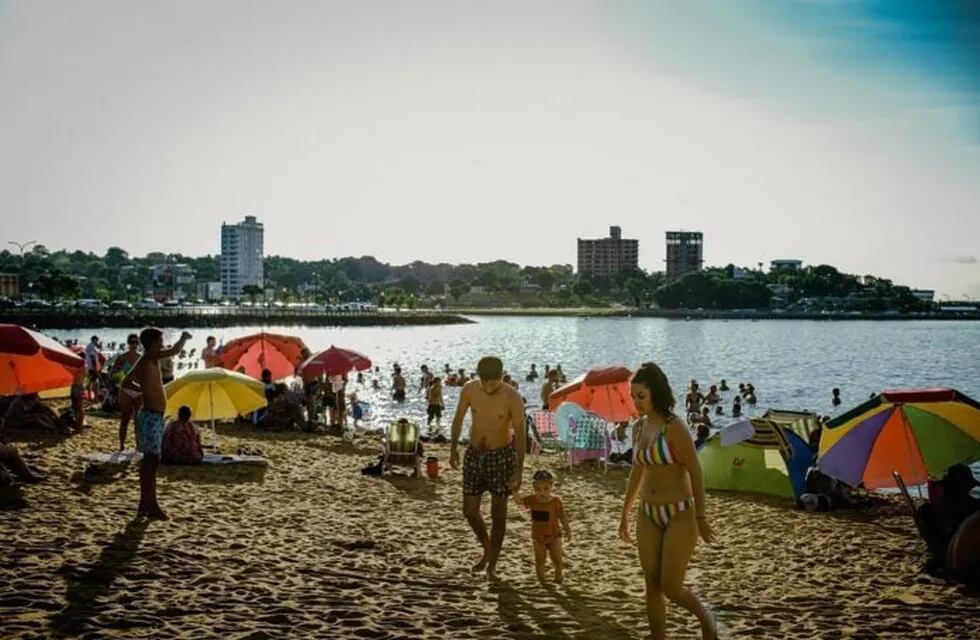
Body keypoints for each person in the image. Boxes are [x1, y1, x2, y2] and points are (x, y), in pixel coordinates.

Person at [620, 362, 717, 640]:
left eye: (641, 396)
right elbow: (637, 470)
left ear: (657, 394)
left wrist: (701, 516)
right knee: (651, 584)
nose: (636, 402)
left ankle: (707, 618)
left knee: (671, 586)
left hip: (680, 513)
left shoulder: (675, 428)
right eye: (633, 396)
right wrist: (625, 512)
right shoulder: (638, 427)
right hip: (648, 512)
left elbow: (696, 471)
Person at [450, 356, 526, 583]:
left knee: (499, 515)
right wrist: (453, 448)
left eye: (493, 384)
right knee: (470, 511)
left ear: (502, 377)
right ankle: (487, 548)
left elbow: (521, 434)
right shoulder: (470, 389)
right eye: (485, 383)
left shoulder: (512, 397)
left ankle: (492, 566)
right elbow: (458, 418)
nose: (488, 388)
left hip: (501, 457)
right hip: (474, 454)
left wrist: (519, 469)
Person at [120, 327, 192, 520]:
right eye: (160, 340)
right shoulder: (150, 357)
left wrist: (143, 390)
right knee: (151, 462)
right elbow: (175, 351)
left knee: (151, 462)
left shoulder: (147, 359)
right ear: (152, 343)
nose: (161, 343)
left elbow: (126, 382)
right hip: (151, 415)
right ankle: (149, 504)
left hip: (154, 415)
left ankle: (146, 503)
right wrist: (184, 337)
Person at [514, 469, 570, 583]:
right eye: (537, 489)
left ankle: (558, 576)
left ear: (551, 487)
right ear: (534, 488)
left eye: (546, 489)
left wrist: (567, 530)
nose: (542, 492)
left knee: (557, 559)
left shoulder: (556, 501)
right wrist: (514, 490)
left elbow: (563, 517)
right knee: (540, 560)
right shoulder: (532, 499)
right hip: (538, 537)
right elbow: (519, 501)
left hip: (554, 535)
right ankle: (542, 580)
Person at [112, 334, 143, 450]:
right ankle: (121, 445)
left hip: (139, 391)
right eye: (132, 342)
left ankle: (138, 445)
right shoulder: (122, 358)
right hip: (126, 390)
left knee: (138, 421)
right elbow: (114, 375)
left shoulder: (141, 358)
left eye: (136, 342)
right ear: (128, 343)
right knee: (125, 419)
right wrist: (121, 372)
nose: (134, 345)